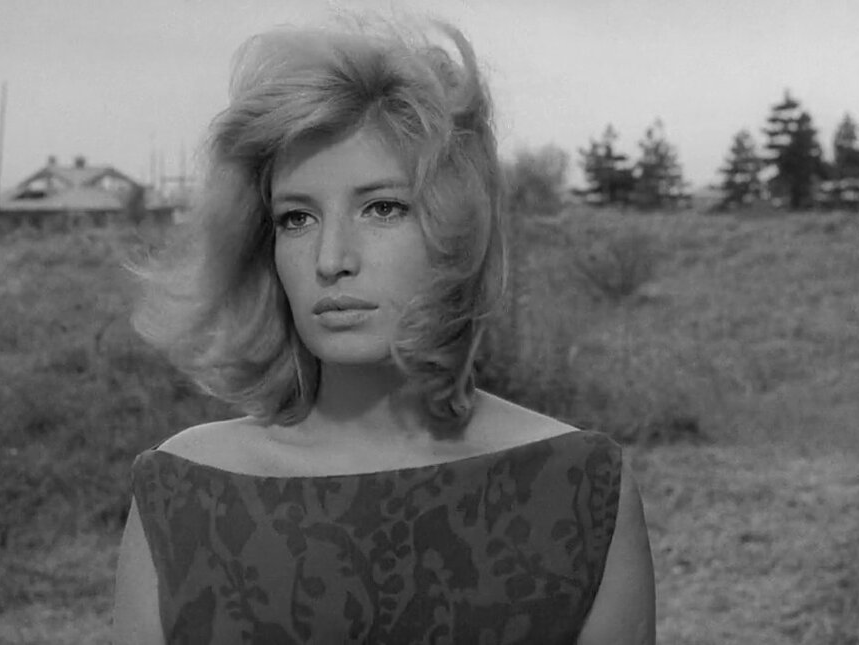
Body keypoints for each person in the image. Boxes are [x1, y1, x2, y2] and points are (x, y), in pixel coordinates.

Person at [115, 16, 655, 645]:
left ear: (459, 230)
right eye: (296, 218)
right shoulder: (183, 492)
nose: (331, 258)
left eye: (382, 208)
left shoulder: (579, 487)